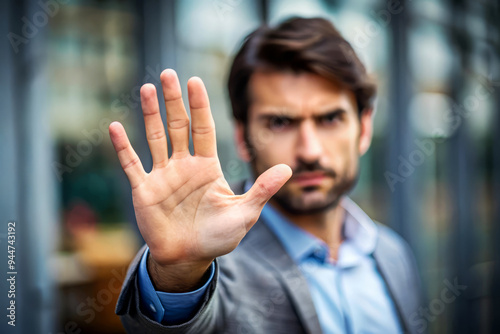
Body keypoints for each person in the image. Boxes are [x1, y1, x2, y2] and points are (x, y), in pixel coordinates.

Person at [110, 17, 423, 334]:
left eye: (330, 118)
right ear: (243, 138)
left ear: (364, 127)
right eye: (280, 123)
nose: (310, 151)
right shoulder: (215, 263)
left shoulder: (393, 254)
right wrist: (179, 273)